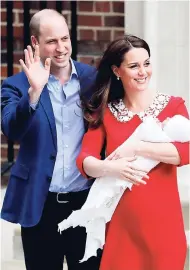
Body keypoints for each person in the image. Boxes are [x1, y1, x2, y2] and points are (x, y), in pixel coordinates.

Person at [76, 34, 189, 270]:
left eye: (146, 63)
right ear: (117, 71)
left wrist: (138, 146)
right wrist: (109, 167)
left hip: (164, 227)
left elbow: (185, 152)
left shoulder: (173, 106)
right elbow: (85, 160)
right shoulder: (106, 113)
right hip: (121, 228)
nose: (143, 71)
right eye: (134, 66)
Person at [1, 9, 102, 270]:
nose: (61, 48)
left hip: (86, 203)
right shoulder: (16, 85)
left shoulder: (93, 80)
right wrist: (34, 93)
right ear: (35, 42)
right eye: (52, 41)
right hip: (40, 205)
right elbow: (11, 129)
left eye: (65, 39)